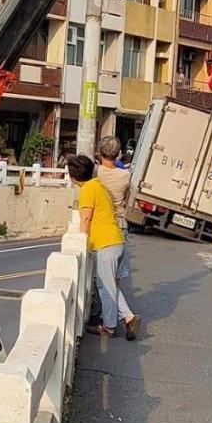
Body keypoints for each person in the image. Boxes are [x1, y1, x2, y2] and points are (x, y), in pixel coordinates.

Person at [67, 155, 141, 340]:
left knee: (105, 287)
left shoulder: (87, 190)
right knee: (107, 285)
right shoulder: (98, 185)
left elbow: (86, 218)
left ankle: (109, 326)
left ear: (72, 176)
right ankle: (128, 317)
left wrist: (82, 242)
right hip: (115, 240)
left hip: (105, 244)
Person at [97, 136, 131, 280]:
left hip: (100, 224)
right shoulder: (126, 175)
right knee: (115, 275)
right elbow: (128, 200)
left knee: (99, 272)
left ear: (100, 153)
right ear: (118, 154)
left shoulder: (96, 173)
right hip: (119, 224)